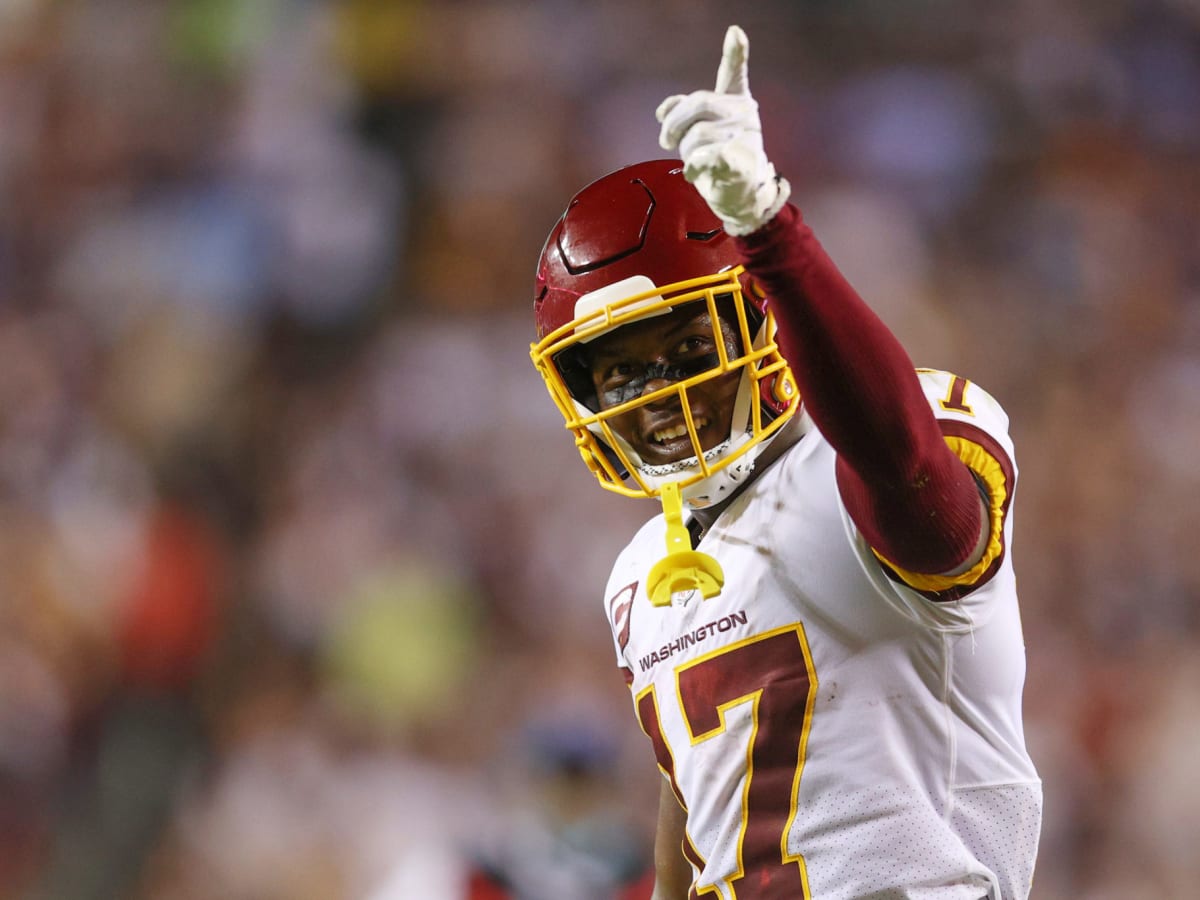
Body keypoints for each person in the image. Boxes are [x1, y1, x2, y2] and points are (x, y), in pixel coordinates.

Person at [529, 25, 1042, 900]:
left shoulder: (880, 449)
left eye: (687, 348)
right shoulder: (640, 577)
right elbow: (693, 828)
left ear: (758, 318)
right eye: (619, 372)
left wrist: (771, 235)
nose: (654, 395)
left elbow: (913, 482)